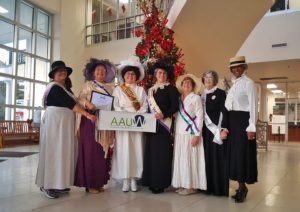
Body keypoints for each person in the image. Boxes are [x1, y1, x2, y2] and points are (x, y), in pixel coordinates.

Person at [36, 60, 96, 199]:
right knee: (53, 151)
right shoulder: (54, 87)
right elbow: (71, 105)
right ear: (53, 75)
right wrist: (87, 115)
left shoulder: (65, 89)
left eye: (64, 71)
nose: (62, 72)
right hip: (56, 123)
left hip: (63, 124)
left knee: (62, 152)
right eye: (59, 71)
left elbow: (75, 102)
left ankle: (58, 183)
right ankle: (47, 185)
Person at [74, 58, 116, 193]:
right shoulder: (88, 85)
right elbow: (80, 98)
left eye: (103, 71)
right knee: (91, 150)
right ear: (93, 73)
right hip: (90, 120)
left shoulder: (110, 87)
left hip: (105, 121)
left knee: (101, 151)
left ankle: (99, 182)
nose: (101, 73)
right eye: (98, 70)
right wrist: (88, 104)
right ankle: (90, 183)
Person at [142, 59, 179, 194]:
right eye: (159, 73)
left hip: (164, 126)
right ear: (155, 74)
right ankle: (151, 181)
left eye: (164, 73)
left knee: (162, 155)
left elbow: (175, 106)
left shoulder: (171, 88)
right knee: (151, 153)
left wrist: (163, 115)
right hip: (151, 125)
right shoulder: (150, 90)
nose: (161, 75)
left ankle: (161, 183)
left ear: (167, 75)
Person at [111, 56, 148, 192]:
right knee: (123, 150)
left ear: (136, 76)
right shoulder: (118, 90)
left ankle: (134, 179)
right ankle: (125, 179)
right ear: (124, 76)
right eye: (128, 74)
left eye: (133, 74)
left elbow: (144, 106)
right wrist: (125, 115)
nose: (130, 76)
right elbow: (115, 105)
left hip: (137, 123)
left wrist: (135, 115)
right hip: (122, 123)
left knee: (136, 150)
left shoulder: (141, 90)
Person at [225, 56, 258, 203]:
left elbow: (253, 106)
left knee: (243, 155)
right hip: (233, 123)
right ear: (231, 70)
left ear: (244, 68)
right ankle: (240, 186)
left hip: (244, 123)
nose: (236, 69)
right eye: (234, 67)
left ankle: (243, 187)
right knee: (235, 156)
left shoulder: (249, 84)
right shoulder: (233, 85)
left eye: (239, 67)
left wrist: (252, 127)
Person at [172, 74, 207, 195]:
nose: (186, 84)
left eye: (189, 83)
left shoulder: (195, 98)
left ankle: (191, 186)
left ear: (192, 86)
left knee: (190, 159)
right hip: (179, 133)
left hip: (191, 133)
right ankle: (183, 183)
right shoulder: (178, 99)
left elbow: (200, 116)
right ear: (181, 86)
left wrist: (197, 134)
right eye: (184, 83)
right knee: (182, 158)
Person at [201, 70, 229, 196]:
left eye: (210, 77)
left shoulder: (221, 93)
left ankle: (219, 189)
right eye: (205, 77)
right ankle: (207, 187)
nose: (208, 80)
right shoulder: (200, 95)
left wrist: (224, 129)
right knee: (206, 159)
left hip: (217, 131)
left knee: (218, 159)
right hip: (204, 132)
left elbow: (225, 112)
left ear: (215, 80)